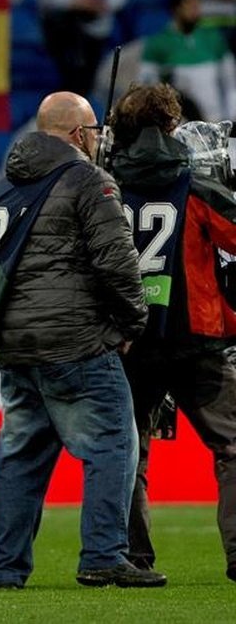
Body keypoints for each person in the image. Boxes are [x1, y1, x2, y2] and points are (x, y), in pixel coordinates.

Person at [0, 91, 164, 589]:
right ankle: (104, 555)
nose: (100, 140)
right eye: (95, 131)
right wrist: (131, 323)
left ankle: (7, 569)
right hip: (76, 342)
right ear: (79, 135)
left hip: (17, 345)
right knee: (113, 442)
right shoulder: (89, 180)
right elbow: (117, 259)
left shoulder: (5, 189)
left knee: (20, 458)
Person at [107, 86, 236, 584]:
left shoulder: (103, 183)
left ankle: (133, 557)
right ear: (170, 126)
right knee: (231, 447)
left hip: (127, 341)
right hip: (194, 337)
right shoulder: (195, 184)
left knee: (129, 454)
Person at [139, 0, 236, 123]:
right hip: (182, 122)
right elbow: (146, 84)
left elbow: (230, 81)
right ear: (176, 9)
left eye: (198, 5)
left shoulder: (213, 38)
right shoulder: (158, 43)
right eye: (190, 5)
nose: (196, 10)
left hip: (217, 120)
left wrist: (231, 117)